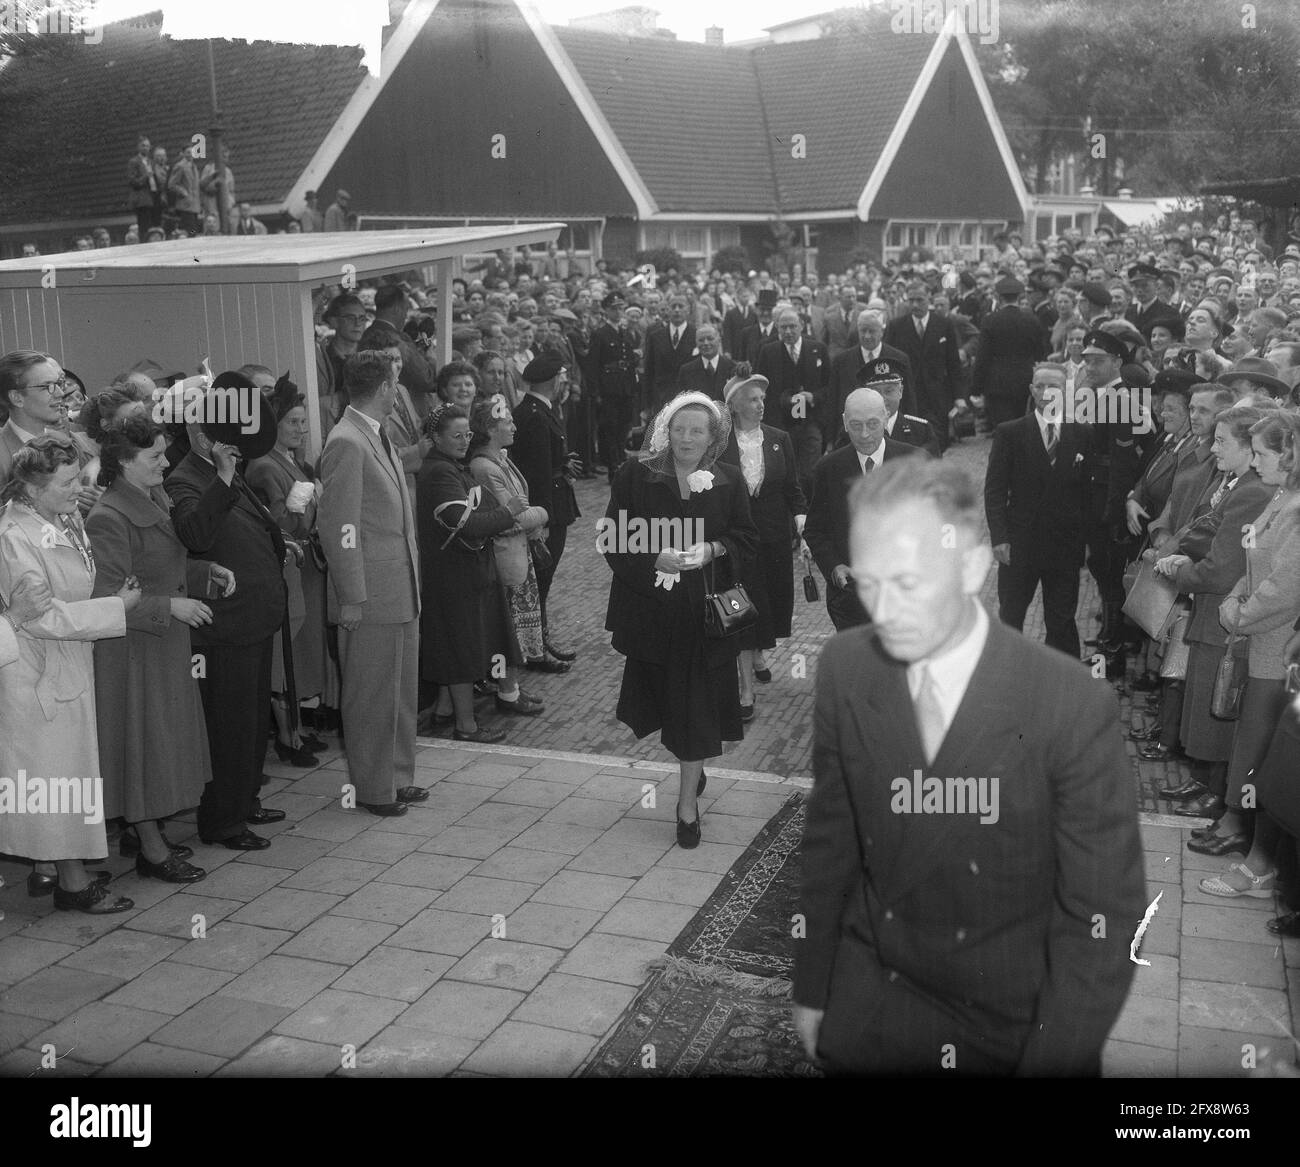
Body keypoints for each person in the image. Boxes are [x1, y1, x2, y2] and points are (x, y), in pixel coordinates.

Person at [792, 457, 1146, 1075]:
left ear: (974, 566)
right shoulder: (847, 668)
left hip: (1009, 1020)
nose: (885, 613)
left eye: (908, 582)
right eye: (870, 582)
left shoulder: (1070, 703)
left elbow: (1100, 917)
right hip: (875, 1001)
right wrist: (814, 985)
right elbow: (831, 844)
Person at [603, 391, 757, 848]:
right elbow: (613, 538)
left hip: (705, 619)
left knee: (696, 708)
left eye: (697, 430)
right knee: (673, 705)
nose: (686, 438)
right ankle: (695, 765)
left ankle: (686, 805)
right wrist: (654, 557)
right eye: (679, 428)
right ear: (665, 431)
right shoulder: (637, 475)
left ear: (713, 438)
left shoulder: (729, 480)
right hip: (654, 614)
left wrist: (712, 550)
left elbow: (747, 539)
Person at [0, 436, 140, 913]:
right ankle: (72, 883)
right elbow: (39, 616)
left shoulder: (61, 517)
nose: (78, 489)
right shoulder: (14, 536)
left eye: (80, 478)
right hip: (36, 671)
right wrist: (114, 609)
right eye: (67, 483)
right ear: (31, 487)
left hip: (67, 665)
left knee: (67, 777)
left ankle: (58, 868)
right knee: (55, 779)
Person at [86, 414, 214, 882]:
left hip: (159, 646)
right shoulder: (108, 517)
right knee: (144, 751)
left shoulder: (150, 497)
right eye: (155, 456)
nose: (165, 463)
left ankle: (149, 837)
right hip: (134, 653)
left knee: (158, 748)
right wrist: (171, 607)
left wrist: (204, 575)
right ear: (123, 462)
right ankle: (152, 849)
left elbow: (164, 565)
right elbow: (106, 598)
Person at [165, 377, 287, 849]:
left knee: (251, 720)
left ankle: (245, 800)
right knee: (230, 725)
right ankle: (223, 820)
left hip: (250, 619)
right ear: (197, 429)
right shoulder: (185, 478)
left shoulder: (226, 471)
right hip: (224, 625)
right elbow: (195, 534)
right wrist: (220, 476)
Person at [318, 352, 428, 816]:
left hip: (399, 587)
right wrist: (352, 596)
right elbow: (339, 527)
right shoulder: (347, 441)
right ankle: (372, 787)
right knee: (370, 695)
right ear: (384, 387)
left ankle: (397, 776)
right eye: (395, 385)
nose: (399, 394)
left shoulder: (374, 435)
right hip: (371, 594)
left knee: (400, 692)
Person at [1192, 412, 1300, 879]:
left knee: (1261, 747)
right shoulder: (1281, 498)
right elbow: (1253, 558)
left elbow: (1285, 586)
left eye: (1261, 453)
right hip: (1258, 639)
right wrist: (1238, 594)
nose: (1254, 464)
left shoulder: (1295, 509)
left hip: (1276, 649)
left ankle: (1259, 857)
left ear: (1289, 455)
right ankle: (1248, 839)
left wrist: (1240, 612)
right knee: (1250, 742)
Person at [1153, 404, 1273, 827]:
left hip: (1221, 610)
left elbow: (1224, 565)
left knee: (1217, 707)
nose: (1213, 447)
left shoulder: (1252, 491)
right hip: (1213, 607)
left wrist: (1181, 570)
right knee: (1203, 702)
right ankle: (1205, 782)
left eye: (1223, 441)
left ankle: (1218, 792)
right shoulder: (1238, 483)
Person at [417, 404, 525, 743]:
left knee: (459, 646)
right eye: (456, 436)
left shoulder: (450, 467)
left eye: (467, 434)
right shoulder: (440, 473)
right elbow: (467, 524)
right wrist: (508, 513)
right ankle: (466, 726)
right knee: (460, 651)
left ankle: (445, 712)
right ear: (436, 438)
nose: (465, 441)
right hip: (454, 576)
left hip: (462, 573)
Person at [245, 376, 333, 765]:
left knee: (301, 653)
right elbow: (281, 523)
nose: (301, 429)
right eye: (293, 422)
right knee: (287, 654)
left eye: (303, 422)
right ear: (274, 426)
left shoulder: (293, 461)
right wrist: (312, 502)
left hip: (306, 571)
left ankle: (295, 727)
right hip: (288, 570)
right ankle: (287, 736)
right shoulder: (265, 467)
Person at [984, 363, 1088, 656]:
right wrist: (1000, 537)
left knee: (1062, 619)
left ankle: (1061, 680)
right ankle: (1007, 674)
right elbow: (994, 490)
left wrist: (1086, 542)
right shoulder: (1010, 433)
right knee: (1011, 616)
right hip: (1020, 545)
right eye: (1039, 386)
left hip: (1064, 546)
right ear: (1031, 390)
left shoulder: (1081, 434)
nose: (1045, 393)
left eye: (1052, 386)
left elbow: (1087, 495)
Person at [720, 372, 805, 721]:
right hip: (736, 540)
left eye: (762, 400)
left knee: (769, 598)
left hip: (773, 537)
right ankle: (745, 691)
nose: (761, 405)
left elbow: (793, 488)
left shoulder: (779, 438)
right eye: (753, 399)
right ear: (735, 404)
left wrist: (802, 519)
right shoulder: (720, 443)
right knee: (738, 605)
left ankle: (757, 654)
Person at [804, 386, 923, 631]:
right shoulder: (828, 469)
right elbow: (815, 531)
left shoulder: (914, 462)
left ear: (886, 418)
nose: (865, 434)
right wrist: (834, 566)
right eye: (856, 425)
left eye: (873, 424)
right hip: (851, 602)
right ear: (844, 423)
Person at [467, 399, 549, 713]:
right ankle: (506, 691)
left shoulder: (500, 459)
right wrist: (543, 513)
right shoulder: (485, 467)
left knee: (516, 627)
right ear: (490, 428)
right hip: (504, 558)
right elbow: (511, 516)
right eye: (508, 422)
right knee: (507, 631)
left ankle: (512, 686)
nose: (514, 427)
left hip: (516, 554)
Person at [511, 351, 580, 667]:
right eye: (563, 376)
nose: (566, 380)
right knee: (542, 577)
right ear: (553, 380)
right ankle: (537, 646)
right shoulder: (537, 415)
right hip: (548, 506)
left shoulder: (537, 409)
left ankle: (539, 640)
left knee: (542, 579)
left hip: (553, 500)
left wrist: (562, 462)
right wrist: (544, 519)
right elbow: (537, 473)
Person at [972, 276, 1048, 429]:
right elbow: (1040, 354)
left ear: (999, 298)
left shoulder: (990, 321)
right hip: (1026, 381)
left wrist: (976, 388)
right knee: (1024, 425)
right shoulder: (1032, 320)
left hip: (997, 384)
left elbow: (982, 357)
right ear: (1020, 297)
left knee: (1003, 427)